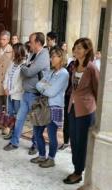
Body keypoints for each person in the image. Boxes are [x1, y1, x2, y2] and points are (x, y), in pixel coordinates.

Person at [3, 32, 50, 153]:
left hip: (36, 94)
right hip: (27, 93)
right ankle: (14, 142)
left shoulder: (43, 55)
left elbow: (28, 72)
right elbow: (28, 70)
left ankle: (35, 145)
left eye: (31, 41)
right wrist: (27, 67)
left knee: (35, 121)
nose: (29, 43)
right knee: (19, 118)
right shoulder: (33, 54)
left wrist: (23, 66)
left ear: (38, 43)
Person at [63, 38, 99, 185]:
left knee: (82, 142)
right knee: (73, 139)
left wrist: (95, 109)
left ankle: (78, 172)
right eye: (75, 47)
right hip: (72, 108)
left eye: (80, 48)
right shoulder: (74, 65)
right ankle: (76, 167)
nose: (76, 50)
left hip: (85, 110)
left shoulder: (92, 68)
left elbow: (98, 90)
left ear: (87, 50)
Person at [31, 46, 69, 168]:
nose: (51, 58)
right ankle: (42, 155)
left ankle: (51, 158)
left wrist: (45, 87)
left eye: (54, 56)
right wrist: (45, 86)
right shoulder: (51, 72)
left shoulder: (64, 73)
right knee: (37, 132)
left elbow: (52, 92)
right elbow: (38, 84)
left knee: (52, 135)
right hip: (43, 105)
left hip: (54, 107)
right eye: (51, 56)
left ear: (61, 58)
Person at [2, 43, 26, 139]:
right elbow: (7, 75)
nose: (11, 53)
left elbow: (21, 84)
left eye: (13, 51)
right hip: (9, 94)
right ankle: (11, 132)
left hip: (17, 95)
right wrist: (5, 87)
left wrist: (10, 91)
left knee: (17, 116)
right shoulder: (12, 62)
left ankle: (16, 135)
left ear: (18, 52)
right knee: (10, 114)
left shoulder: (24, 64)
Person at [59, 46, 76, 150]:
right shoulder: (72, 64)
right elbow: (66, 79)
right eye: (75, 50)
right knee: (67, 120)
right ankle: (66, 142)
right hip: (68, 95)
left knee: (76, 122)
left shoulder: (87, 66)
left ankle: (75, 145)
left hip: (78, 99)